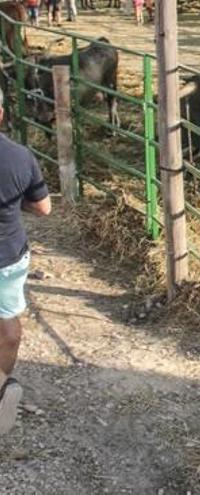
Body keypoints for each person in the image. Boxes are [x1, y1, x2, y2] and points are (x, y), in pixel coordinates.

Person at [0, 86, 51, 436]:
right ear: (1, 115)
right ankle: (2, 385)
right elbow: (43, 208)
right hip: (7, 257)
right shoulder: (20, 157)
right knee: (8, 327)